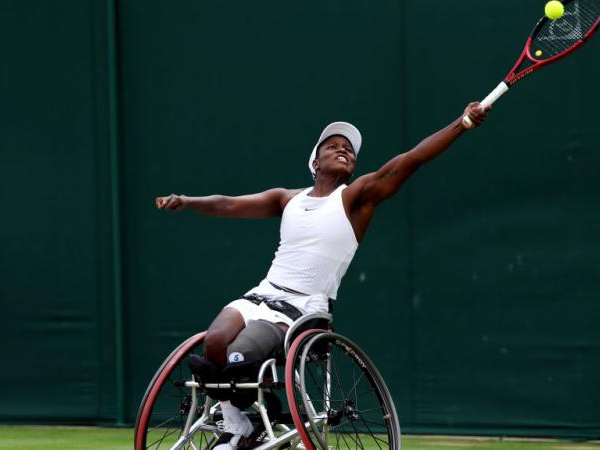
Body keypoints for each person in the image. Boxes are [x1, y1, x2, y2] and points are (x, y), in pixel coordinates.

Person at [155, 102, 490, 449]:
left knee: (239, 357)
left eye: (349, 149)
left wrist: (462, 123)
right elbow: (227, 204)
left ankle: (249, 420)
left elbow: (412, 159)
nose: (343, 149)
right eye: (333, 146)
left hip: (300, 311)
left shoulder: (356, 198)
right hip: (259, 296)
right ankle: (237, 424)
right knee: (214, 343)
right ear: (315, 162)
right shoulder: (288, 199)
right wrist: (187, 200)